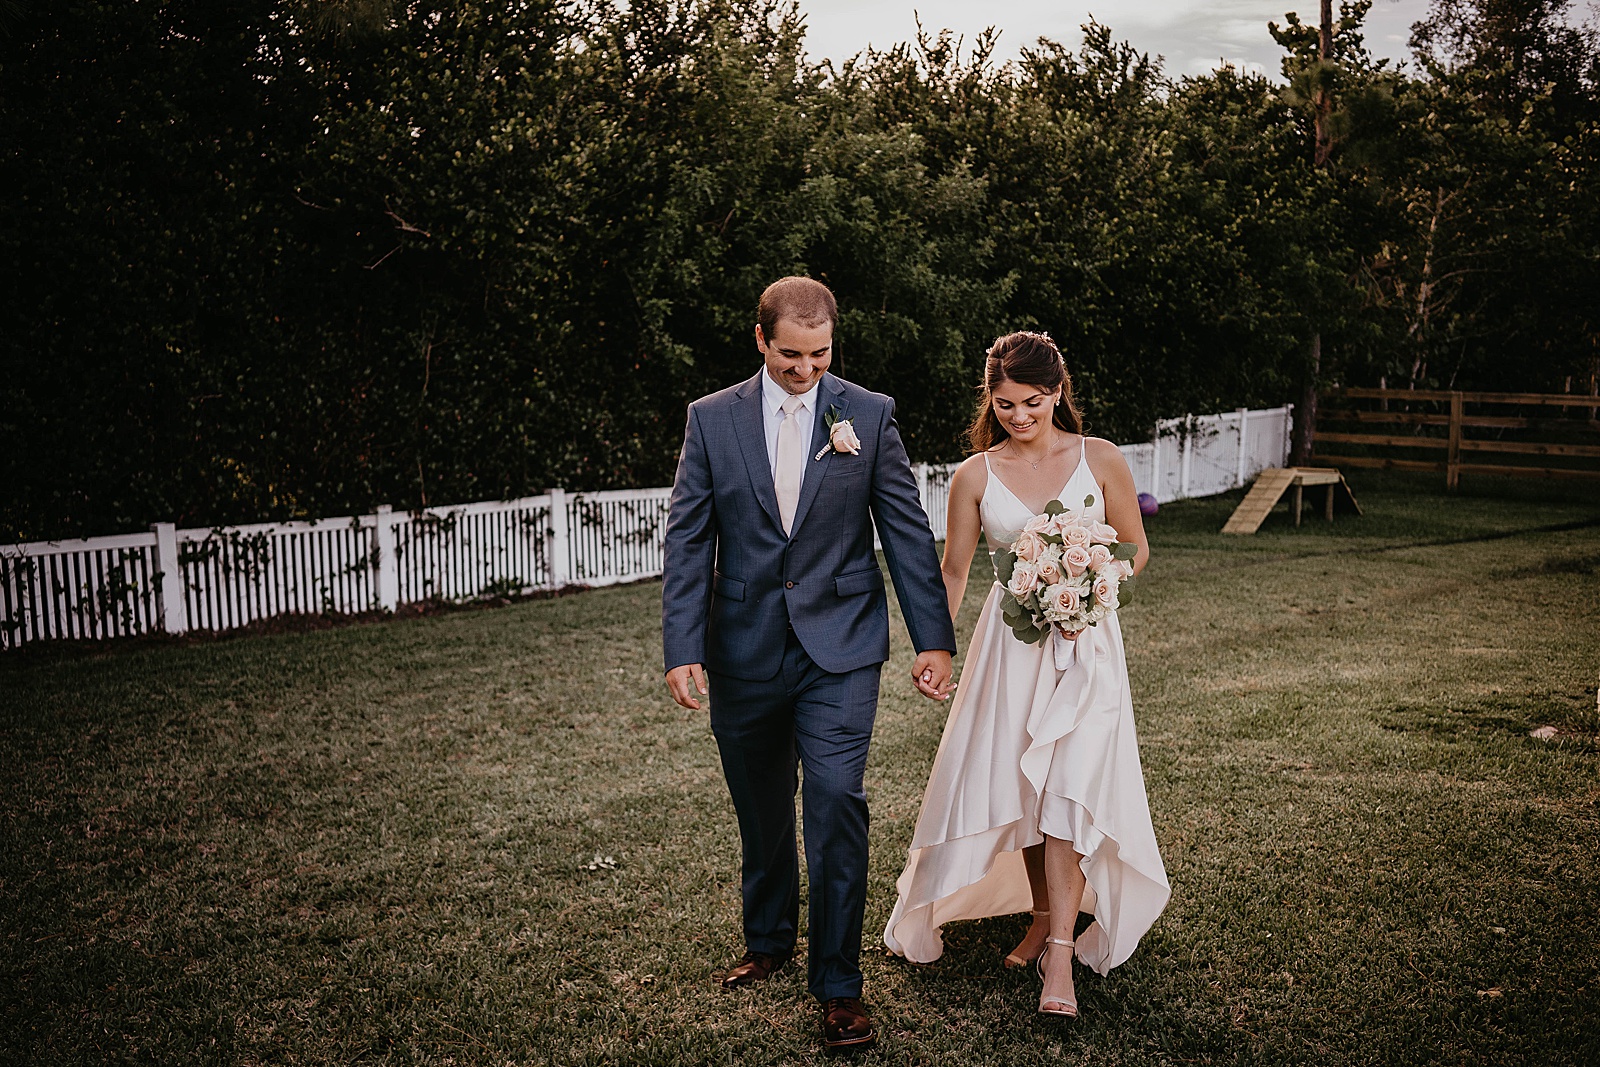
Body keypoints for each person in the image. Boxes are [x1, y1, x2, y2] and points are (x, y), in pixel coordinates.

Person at [662, 276, 958, 1053]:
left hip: (842, 647)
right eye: (790, 354)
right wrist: (683, 646)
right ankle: (768, 939)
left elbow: (904, 528)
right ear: (760, 339)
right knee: (762, 807)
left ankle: (838, 982)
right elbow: (689, 538)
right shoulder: (711, 419)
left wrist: (933, 637)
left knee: (834, 802)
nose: (805, 370)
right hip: (743, 647)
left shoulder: (870, 413)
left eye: (819, 355)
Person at [882, 331, 1170, 1018]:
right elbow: (954, 570)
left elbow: (1135, 548)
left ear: (1057, 392)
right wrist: (934, 647)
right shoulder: (974, 476)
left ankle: (1060, 953)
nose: (1019, 416)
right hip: (1009, 649)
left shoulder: (1100, 458)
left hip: (1087, 647)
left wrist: (1090, 578)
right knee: (1030, 785)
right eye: (1005, 404)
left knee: (1069, 784)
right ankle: (1043, 916)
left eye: (1033, 402)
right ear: (990, 399)